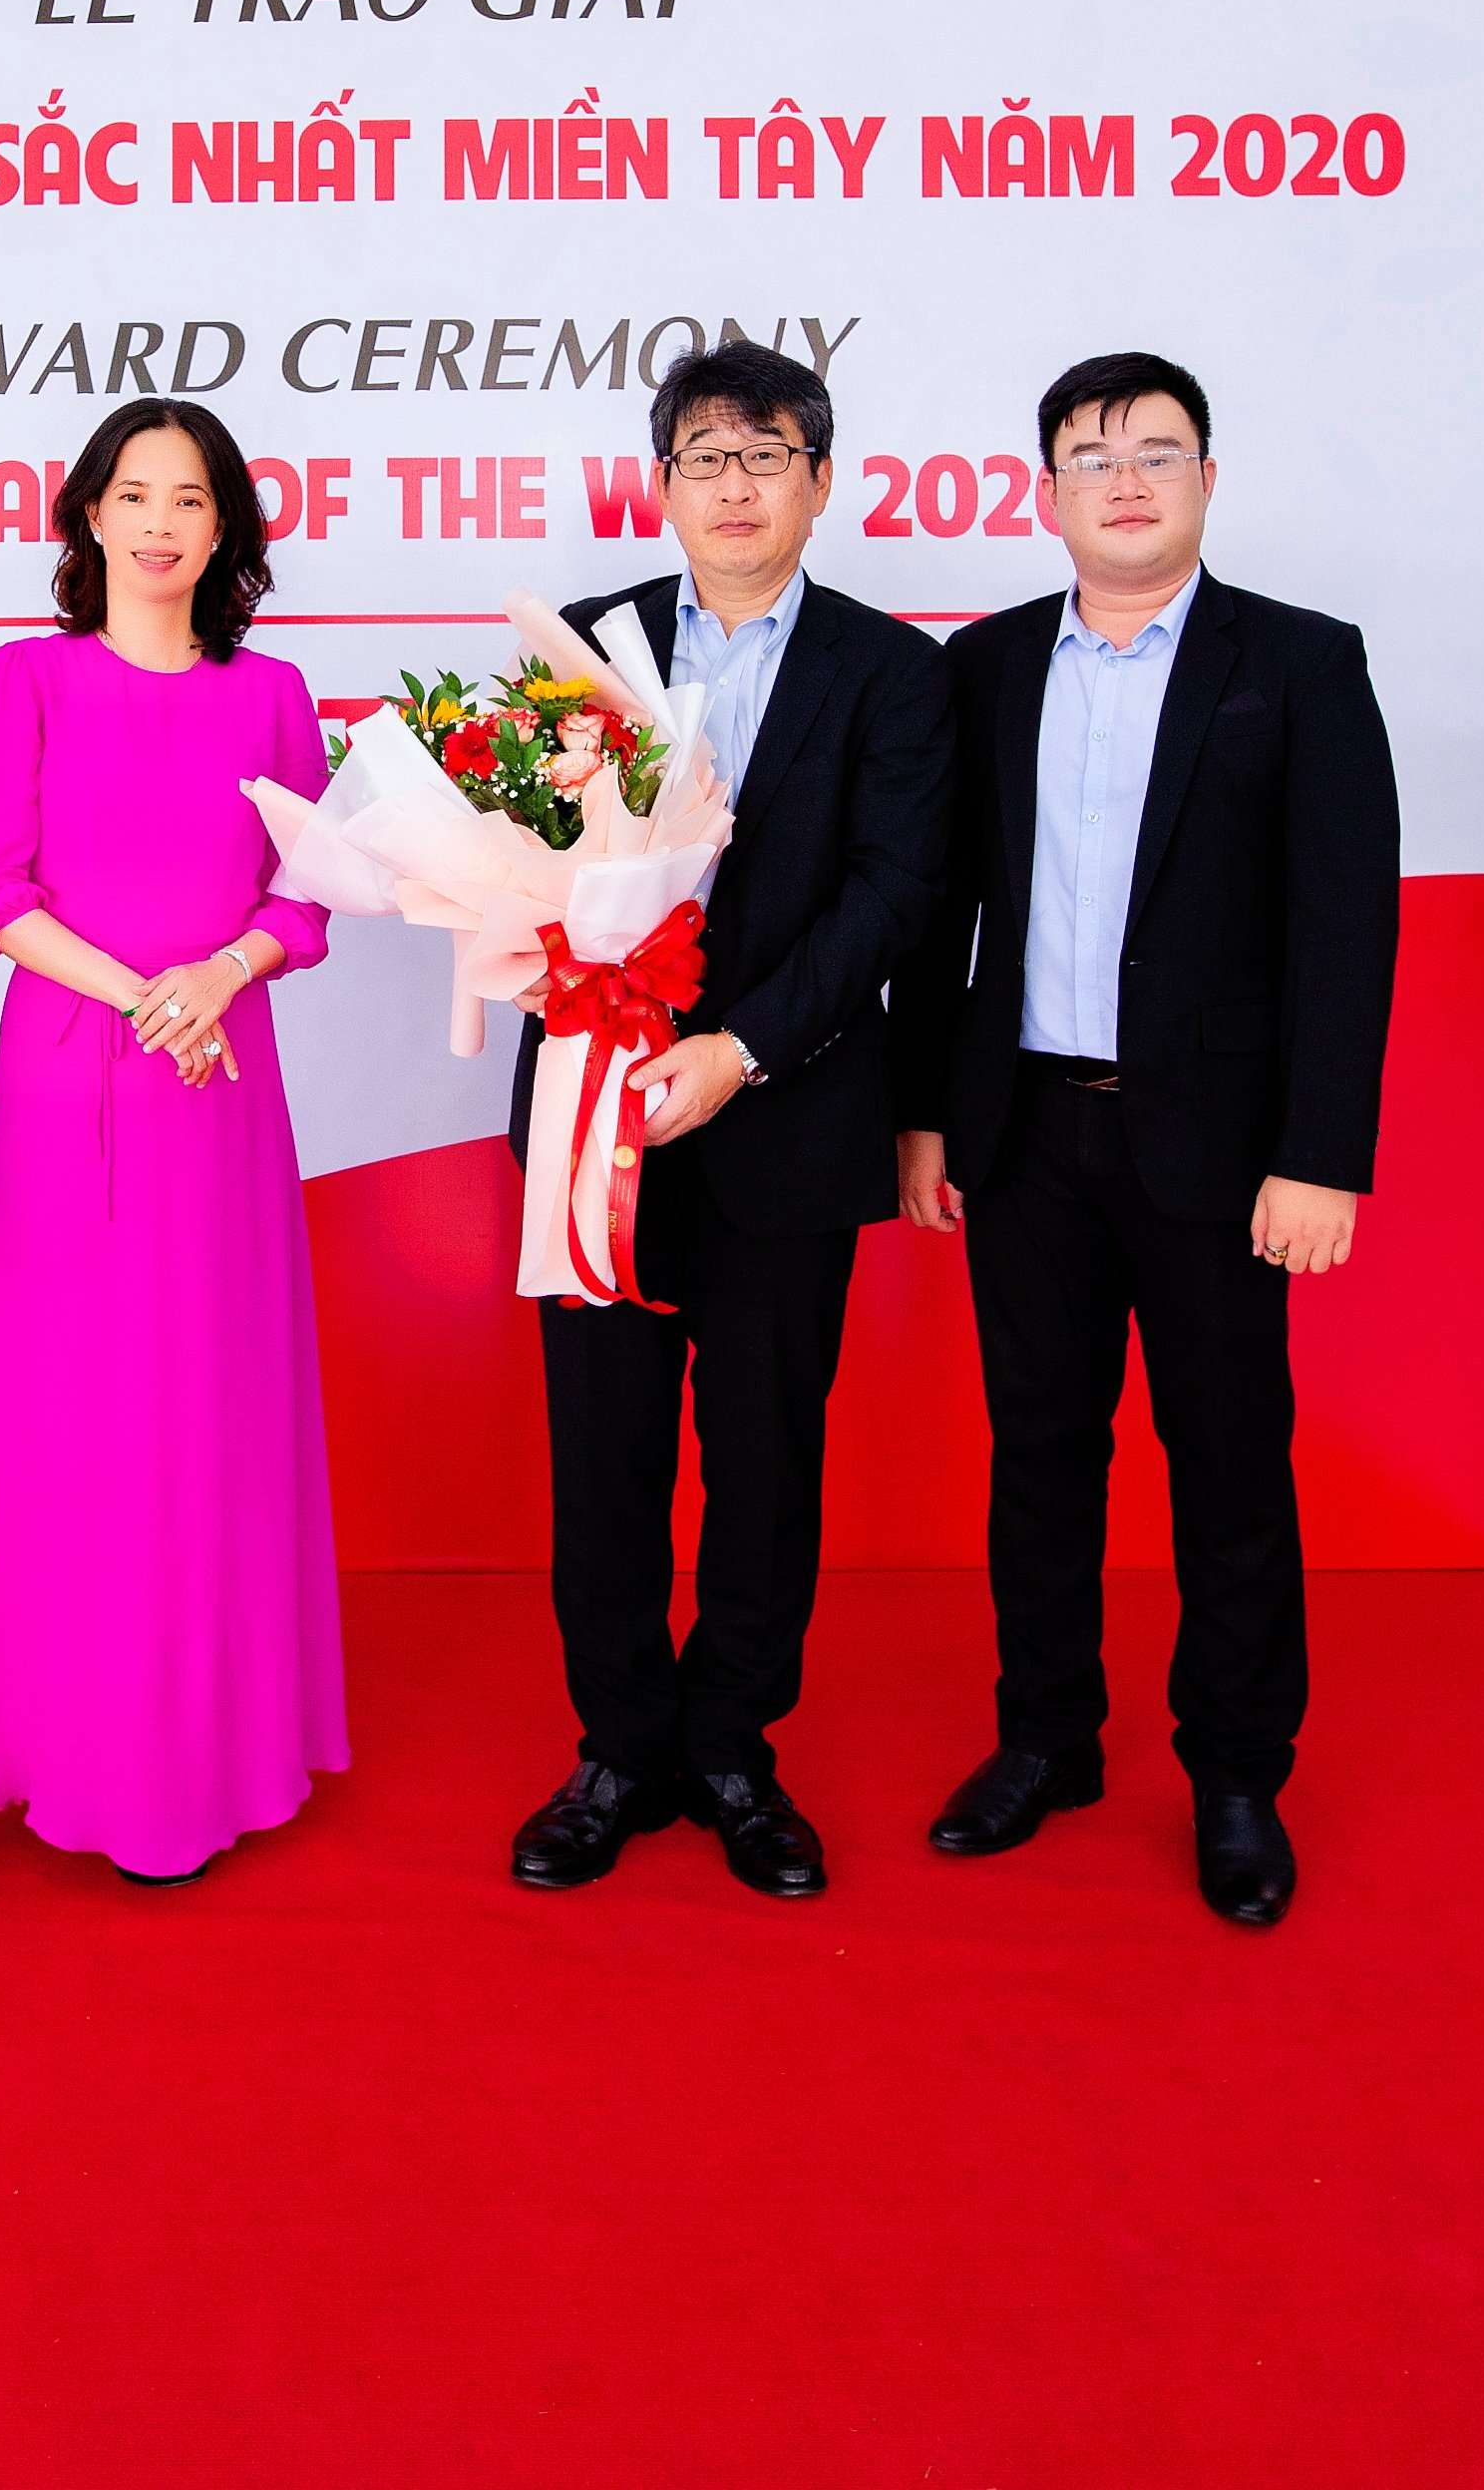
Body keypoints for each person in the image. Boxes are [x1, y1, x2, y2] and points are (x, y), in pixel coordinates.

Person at [891, 351, 1400, 1929]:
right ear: (1045, 491)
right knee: (1040, 1457)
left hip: (1222, 1150)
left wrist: (1323, 1155)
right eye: (1093, 456)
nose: (1125, 480)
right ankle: (1047, 1739)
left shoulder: (1299, 662)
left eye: (1157, 453)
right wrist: (926, 1112)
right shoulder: (984, 667)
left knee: (1228, 1465)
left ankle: (1238, 1774)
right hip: (1025, 1132)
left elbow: (1346, 926)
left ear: (1206, 481)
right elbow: (942, 916)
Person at [508, 339, 953, 1899]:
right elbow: (521, 860)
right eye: (709, 457)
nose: (738, 486)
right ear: (664, 484)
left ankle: (734, 1751)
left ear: (821, 483)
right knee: (603, 1458)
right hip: (599, 1121)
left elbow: (895, 894)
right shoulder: (587, 645)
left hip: (789, 1119)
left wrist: (742, 1048)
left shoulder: (894, 672)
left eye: (769, 456)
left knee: (766, 1461)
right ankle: (620, 1747)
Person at [0, 396, 347, 1880]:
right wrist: (146, 997)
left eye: (192, 499)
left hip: (223, 1100)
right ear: (89, 516)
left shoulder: (274, 693)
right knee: (77, 1418)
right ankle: (68, 1747)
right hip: (70, 1095)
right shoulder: (25, 681)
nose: (162, 523)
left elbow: (309, 891)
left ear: (226, 528)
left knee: (211, 1414)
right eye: (136, 495)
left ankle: (213, 1752)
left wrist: (223, 972)